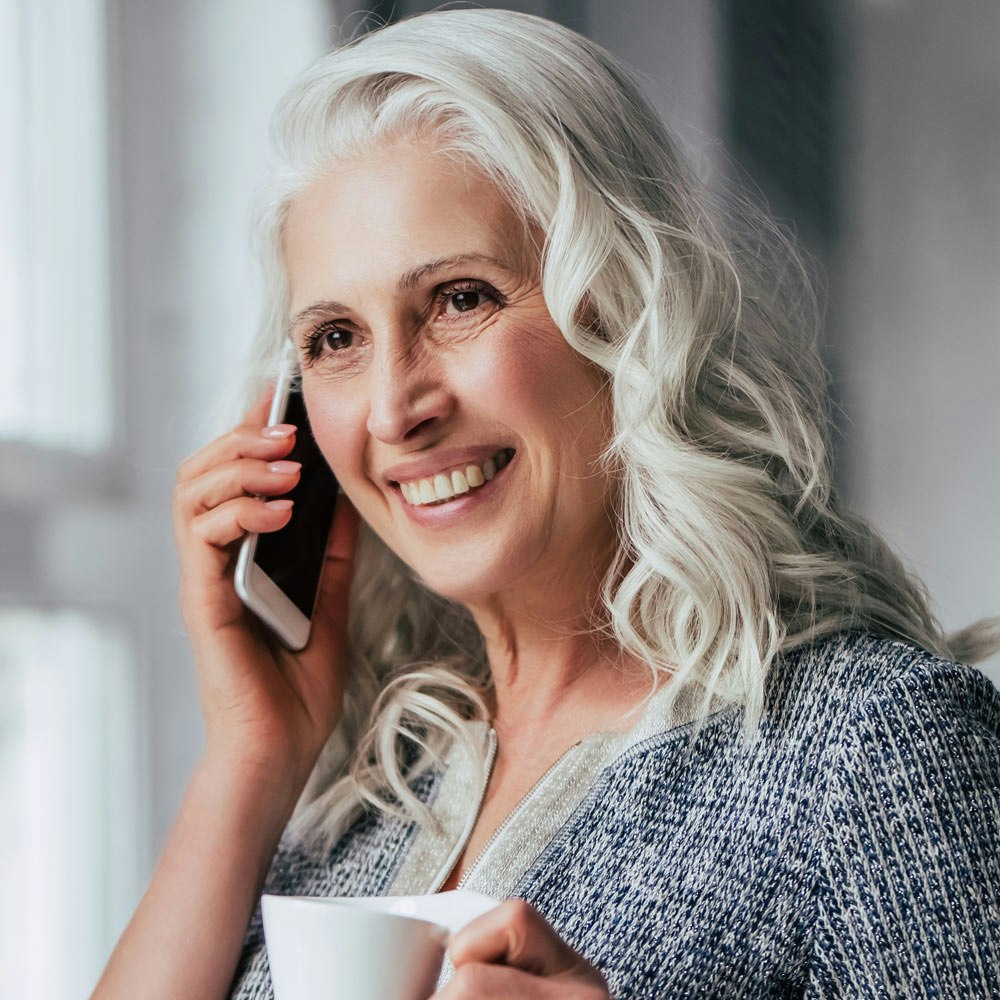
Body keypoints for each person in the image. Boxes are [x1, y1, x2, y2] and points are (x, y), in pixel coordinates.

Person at [94, 9, 1000, 999]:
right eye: (336, 338)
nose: (395, 408)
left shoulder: (867, 746)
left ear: (622, 305)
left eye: (460, 298)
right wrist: (250, 755)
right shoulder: (368, 793)